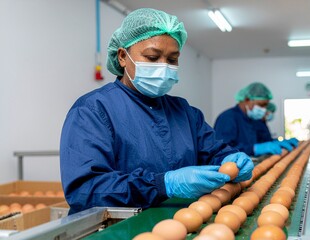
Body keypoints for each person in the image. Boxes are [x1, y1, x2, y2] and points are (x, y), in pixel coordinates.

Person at [60, 8, 254, 214]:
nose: (163, 67)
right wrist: (164, 184)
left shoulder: (185, 113)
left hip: (184, 223)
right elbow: (85, 190)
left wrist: (231, 159)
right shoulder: (93, 110)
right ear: (123, 56)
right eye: (152, 57)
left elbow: (215, 152)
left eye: (172, 60)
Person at [214, 82, 293, 157]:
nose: (264, 109)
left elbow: (262, 141)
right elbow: (222, 150)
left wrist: (275, 143)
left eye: (266, 106)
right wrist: (254, 149)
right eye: (261, 105)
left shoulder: (253, 119)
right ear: (247, 100)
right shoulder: (227, 118)